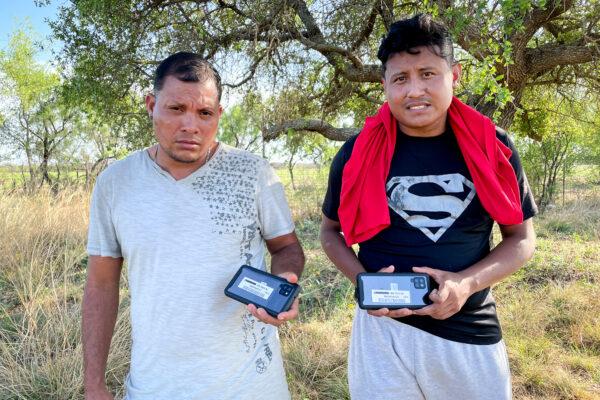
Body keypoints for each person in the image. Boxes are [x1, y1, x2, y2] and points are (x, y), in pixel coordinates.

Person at [320, 14, 537, 400]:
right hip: (381, 333)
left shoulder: (494, 146)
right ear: (384, 84)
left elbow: (521, 239)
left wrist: (465, 284)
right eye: (400, 78)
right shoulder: (356, 152)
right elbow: (329, 231)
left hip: (467, 331)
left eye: (428, 74)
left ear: (454, 75)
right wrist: (364, 284)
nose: (414, 90)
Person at [83, 52, 304, 400]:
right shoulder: (115, 183)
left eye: (204, 113)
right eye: (176, 109)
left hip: (252, 387)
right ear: (151, 105)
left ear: (218, 114)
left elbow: (286, 247)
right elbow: (100, 284)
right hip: (155, 386)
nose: (191, 125)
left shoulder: (254, 173)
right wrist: (93, 384)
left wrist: (285, 281)